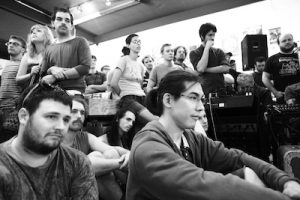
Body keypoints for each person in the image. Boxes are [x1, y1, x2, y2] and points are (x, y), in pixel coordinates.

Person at [127, 70, 300, 200]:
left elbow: (237, 158)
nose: (201, 107)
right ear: (168, 100)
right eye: (193, 98)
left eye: (201, 99)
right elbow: (204, 184)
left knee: (246, 173)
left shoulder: (191, 138)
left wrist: (284, 181)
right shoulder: (147, 146)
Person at [0, 82, 98, 199]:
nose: (61, 126)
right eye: (51, 116)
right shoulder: (3, 165)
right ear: (24, 116)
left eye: (66, 119)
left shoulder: (77, 162)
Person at [63, 96, 130, 200]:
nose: (79, 116)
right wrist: (120, 163)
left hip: (86, 185)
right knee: (94, 157)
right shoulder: (55, 137)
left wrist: (129, 154)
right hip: (65, 187)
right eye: (74, 111)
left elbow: (112, 149)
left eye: (82, 113)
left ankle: (127, 194)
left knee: (109, 153)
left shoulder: (85, 136)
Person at [39, 7, 91, 93]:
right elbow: (43, 74)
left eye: (67, 20)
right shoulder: (48, 48)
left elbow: (84, 68)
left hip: (75, 92)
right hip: (52, 93)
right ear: (53, 23)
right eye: (59, 19)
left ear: (71, 26)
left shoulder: (81, 42)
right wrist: (51, 69)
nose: (63, 22)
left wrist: (55, 76)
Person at [110, 34, 157, 125]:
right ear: (128, 45)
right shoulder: (123, 60)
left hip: (142, 97)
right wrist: (124, 94)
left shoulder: (140, 65)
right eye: (135, 42)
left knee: (144, 125)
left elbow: (140, 85)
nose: (138, 44)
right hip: (128, 98)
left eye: (139, 42)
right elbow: (113, 83)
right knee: (154, 120)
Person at [189, 23, 230, 96]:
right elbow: (201, 69)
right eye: (210, 35)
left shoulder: (219, 51)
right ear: (202, 36)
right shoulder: (194, 53)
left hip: (221, 91)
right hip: (205, 92)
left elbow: (226, 68)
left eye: (214, 35)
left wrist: (206, 69)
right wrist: (207, 48)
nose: (212, 38)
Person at [0, 35, 26, 142]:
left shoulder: (24, 66)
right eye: (9, 43)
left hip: (13, 109)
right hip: (1, 107)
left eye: (15, 44)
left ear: (23, 49)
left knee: (9, 141)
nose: (11, 45)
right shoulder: (6, 65)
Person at [263, 33, 300, 103]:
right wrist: (275, 92)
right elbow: (265, 78)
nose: (287, 42)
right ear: (278, 44)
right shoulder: (272, 59)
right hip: (282, 97)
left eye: (289, 40)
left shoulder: (298, 56)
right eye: (284, 41)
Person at [16, 24, 54, 89]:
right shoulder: (26, 56)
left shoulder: (53, 53)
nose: (34, 32)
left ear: (47, 36)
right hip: (29, 93)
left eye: (39, 31)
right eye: (32, 32)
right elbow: (18, 79)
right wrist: (30, 74)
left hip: (47, 93)